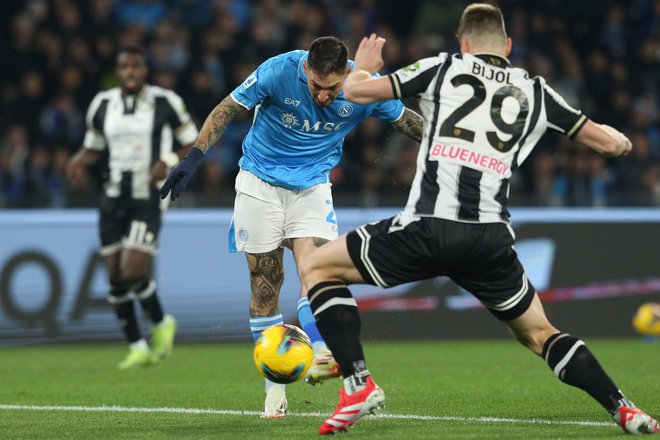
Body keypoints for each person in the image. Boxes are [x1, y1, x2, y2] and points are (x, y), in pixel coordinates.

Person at [299, 5, 660, 436]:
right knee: (540, 334)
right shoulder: (536, 90)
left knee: (318, 267)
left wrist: (365, 67)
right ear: (507, 46)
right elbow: (608, 143)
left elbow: (355, 93)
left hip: (428, 227)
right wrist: (620, 141)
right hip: (489, 241)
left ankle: (359, 384)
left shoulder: (442, 68)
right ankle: (624, 409)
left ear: (462, 43)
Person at [159, 36, 424, 418]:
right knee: (265, 287)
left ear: (346, 74)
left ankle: (321, 353)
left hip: (313, 186)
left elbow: (410, 123)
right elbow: (226, 109)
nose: (322, 96)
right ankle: (275, 388)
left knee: (317, 268)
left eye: (331, 89)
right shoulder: (280, 69)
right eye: (315, 86)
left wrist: (453, 148)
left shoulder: (364, 87)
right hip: (259, 184)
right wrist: (194, 156)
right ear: (305, 70)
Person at [67, 45, 198, 370]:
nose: (129, 72)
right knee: (114, 276)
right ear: (118, 71)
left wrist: (167, 161)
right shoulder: (102, 104)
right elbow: (93, 146)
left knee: (132, 270)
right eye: (123, 67)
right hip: (112, 196)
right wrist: (79, 161)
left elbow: (192, 139)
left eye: (135, 66)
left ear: (145, 70)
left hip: (148, 197)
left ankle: (162, 323)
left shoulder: (166, 101)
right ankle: (137, 345)